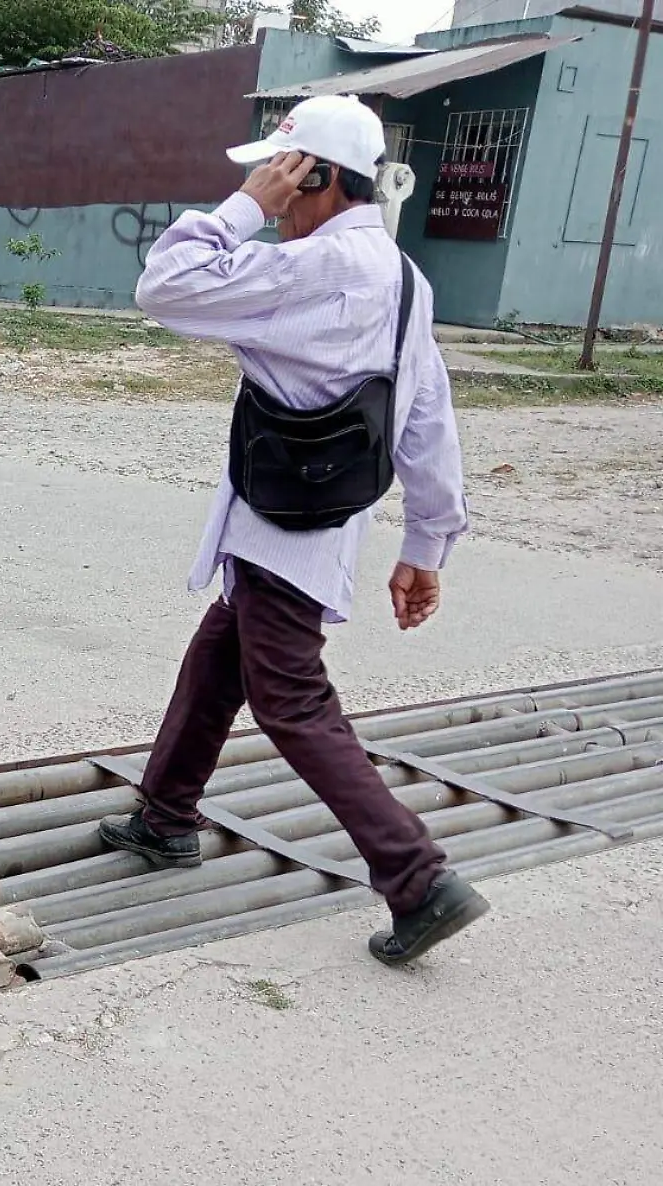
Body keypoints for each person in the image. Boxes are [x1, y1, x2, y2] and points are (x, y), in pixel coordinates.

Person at [96, 94, 486, 966]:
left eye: (278, 172)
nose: (266, 187)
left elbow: (163, 286)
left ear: (312, 176)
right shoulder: (402, 277)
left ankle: (418, 877)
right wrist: (427, 541)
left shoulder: (313, 268)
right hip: (315, 511)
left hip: (286, 521)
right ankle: (165, 815)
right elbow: (426, 416)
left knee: (291, 697)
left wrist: (246, 209)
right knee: (218, 658)